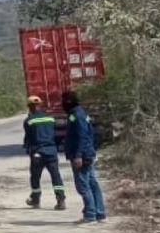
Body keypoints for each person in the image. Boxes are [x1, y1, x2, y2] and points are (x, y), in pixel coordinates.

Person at [62, 91, 107, 222]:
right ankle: (99, 213)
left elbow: (82, 136)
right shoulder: (81, 113)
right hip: (87, 153)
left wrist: (78, 155)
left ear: (68, 101)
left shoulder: (77, 115)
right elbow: (90, 134)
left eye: (63, 100)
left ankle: (90, 214)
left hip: (82, 155)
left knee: (83, 185)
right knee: (92, 183)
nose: (62, 104)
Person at [23, 93, 66, 210]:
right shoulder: (50, 118)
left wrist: (29, 149)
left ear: (29, 106)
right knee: (56, 176)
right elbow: (56, 135)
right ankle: (61, 200)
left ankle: (36, 200)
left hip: (38, 152)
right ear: (40, 105)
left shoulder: (29, 121)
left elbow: (28, 138)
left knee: (35, 177)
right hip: (51, 151)